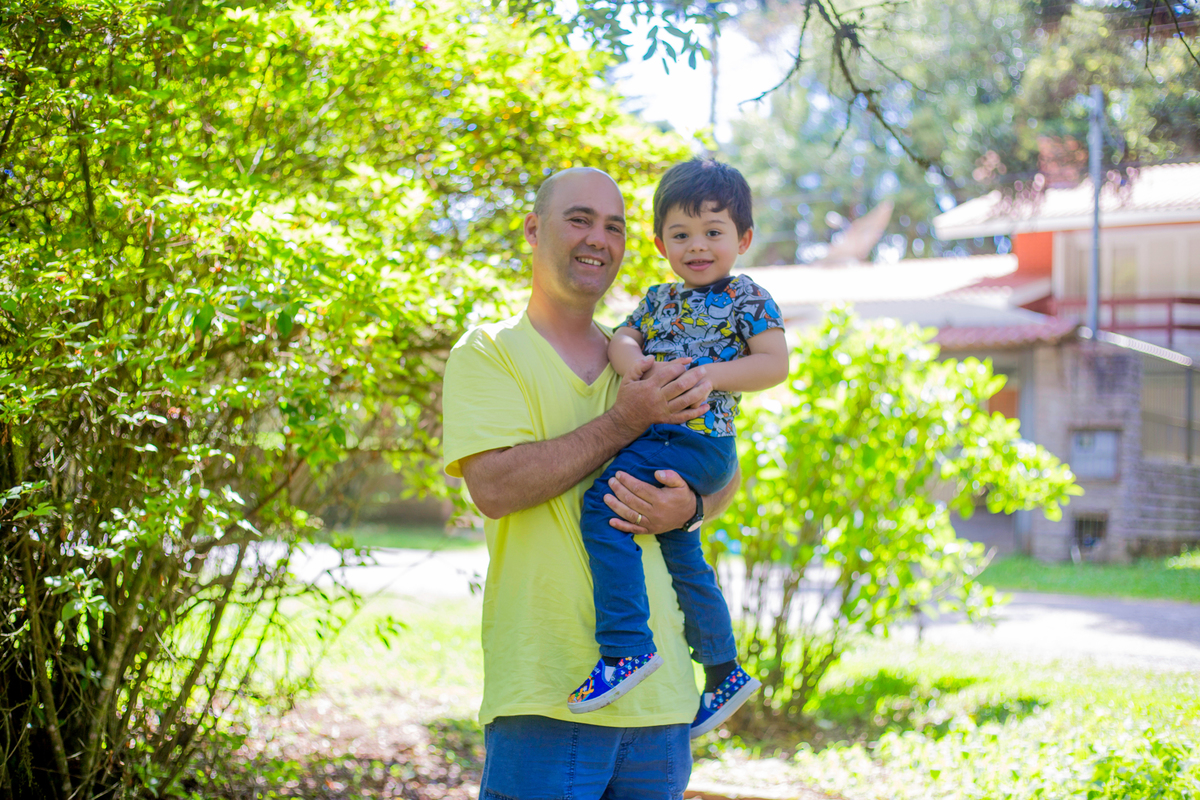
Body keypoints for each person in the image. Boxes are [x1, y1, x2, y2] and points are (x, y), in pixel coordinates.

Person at [442, 167, 740, 799]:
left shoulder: (647, 358)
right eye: (579, 219)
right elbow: (494, 487)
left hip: (662, 705)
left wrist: (688, 509)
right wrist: (625, 420)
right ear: (533, 229)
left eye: (614, 227)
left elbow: (724, 473)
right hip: (547, 696)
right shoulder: (490, 351)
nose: (598, 239)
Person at [566, 159, 787, 739]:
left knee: (605, 507)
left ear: (743, 239)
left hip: (699, 441)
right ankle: (722, 669)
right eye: (682, 235)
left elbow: (774, 364)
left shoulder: (748, 297)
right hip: (666, 441)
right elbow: (623, 338)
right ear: (660, 243)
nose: (697, 246)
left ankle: (625, 649)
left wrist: (709, 376)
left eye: (713, 232)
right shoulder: (659, 299)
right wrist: (632, 363)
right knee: (681, 550)